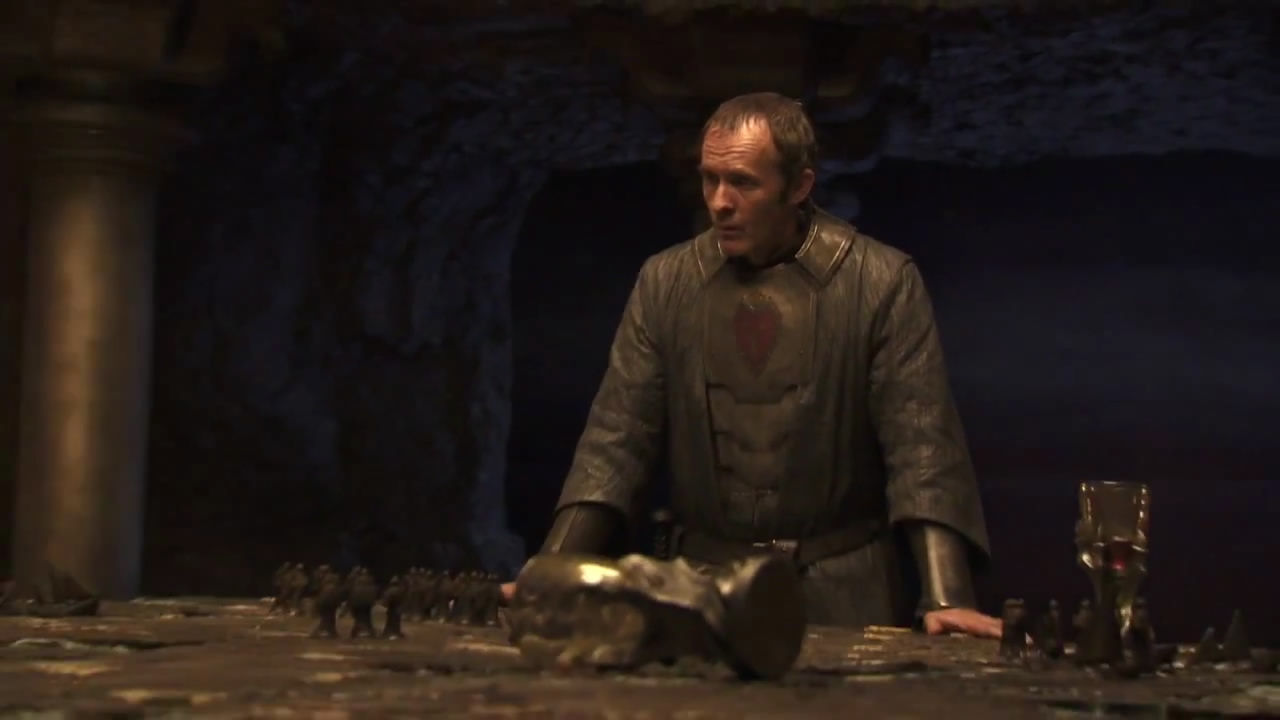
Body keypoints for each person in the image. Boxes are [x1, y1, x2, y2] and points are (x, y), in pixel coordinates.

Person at [509, 92, 1000, 638]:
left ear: (799, 186)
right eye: (710, 179)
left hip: (844, 591)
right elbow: (617, 438)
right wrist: (551, 572)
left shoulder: (878, 282)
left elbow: (921, 443)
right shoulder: (667, 283)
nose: (720, 202)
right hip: (700, 588)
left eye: (743, 182)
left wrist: (947, 594)